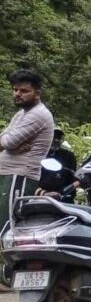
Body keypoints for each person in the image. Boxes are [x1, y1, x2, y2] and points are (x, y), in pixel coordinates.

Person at [1, 70, 55, 226]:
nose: (18, 94)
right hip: (8, 175)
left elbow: (8, 142)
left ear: (37, 93)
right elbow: (6, 142)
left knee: (8, 225)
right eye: (15, 89)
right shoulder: (21, 114)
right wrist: (8, 146)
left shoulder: (38, 114)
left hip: (19, 177)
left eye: (24, 91)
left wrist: (8, 145)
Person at [38, 128, 79, 201]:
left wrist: (62, 193)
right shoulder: (38, 154)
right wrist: (43, 193)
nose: (56, 140)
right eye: (53, 137)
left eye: (59, 138)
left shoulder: (68, 156)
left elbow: (73, 179)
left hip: (63, 197)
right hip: (41, 196)